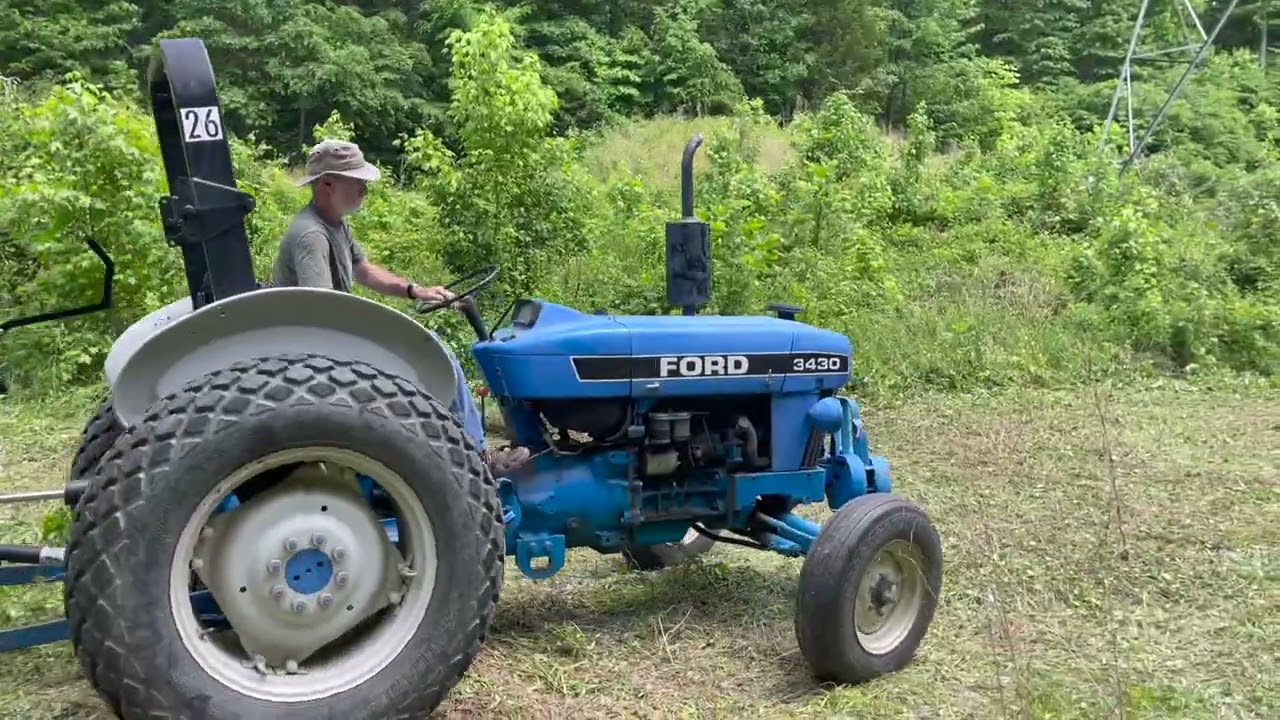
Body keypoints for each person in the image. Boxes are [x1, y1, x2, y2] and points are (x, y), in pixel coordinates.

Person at [272, 139, 530, 475]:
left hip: (330, 343)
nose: (365, 189)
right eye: (357, 181)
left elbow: (363, 269)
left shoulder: (335, 224)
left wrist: (414, 290)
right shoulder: (312, 236)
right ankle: (477, 459)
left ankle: (455, 448)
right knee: (437, 354)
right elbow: (321, 311)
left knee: (432, 351)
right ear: (328, 183)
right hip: (317, 353)